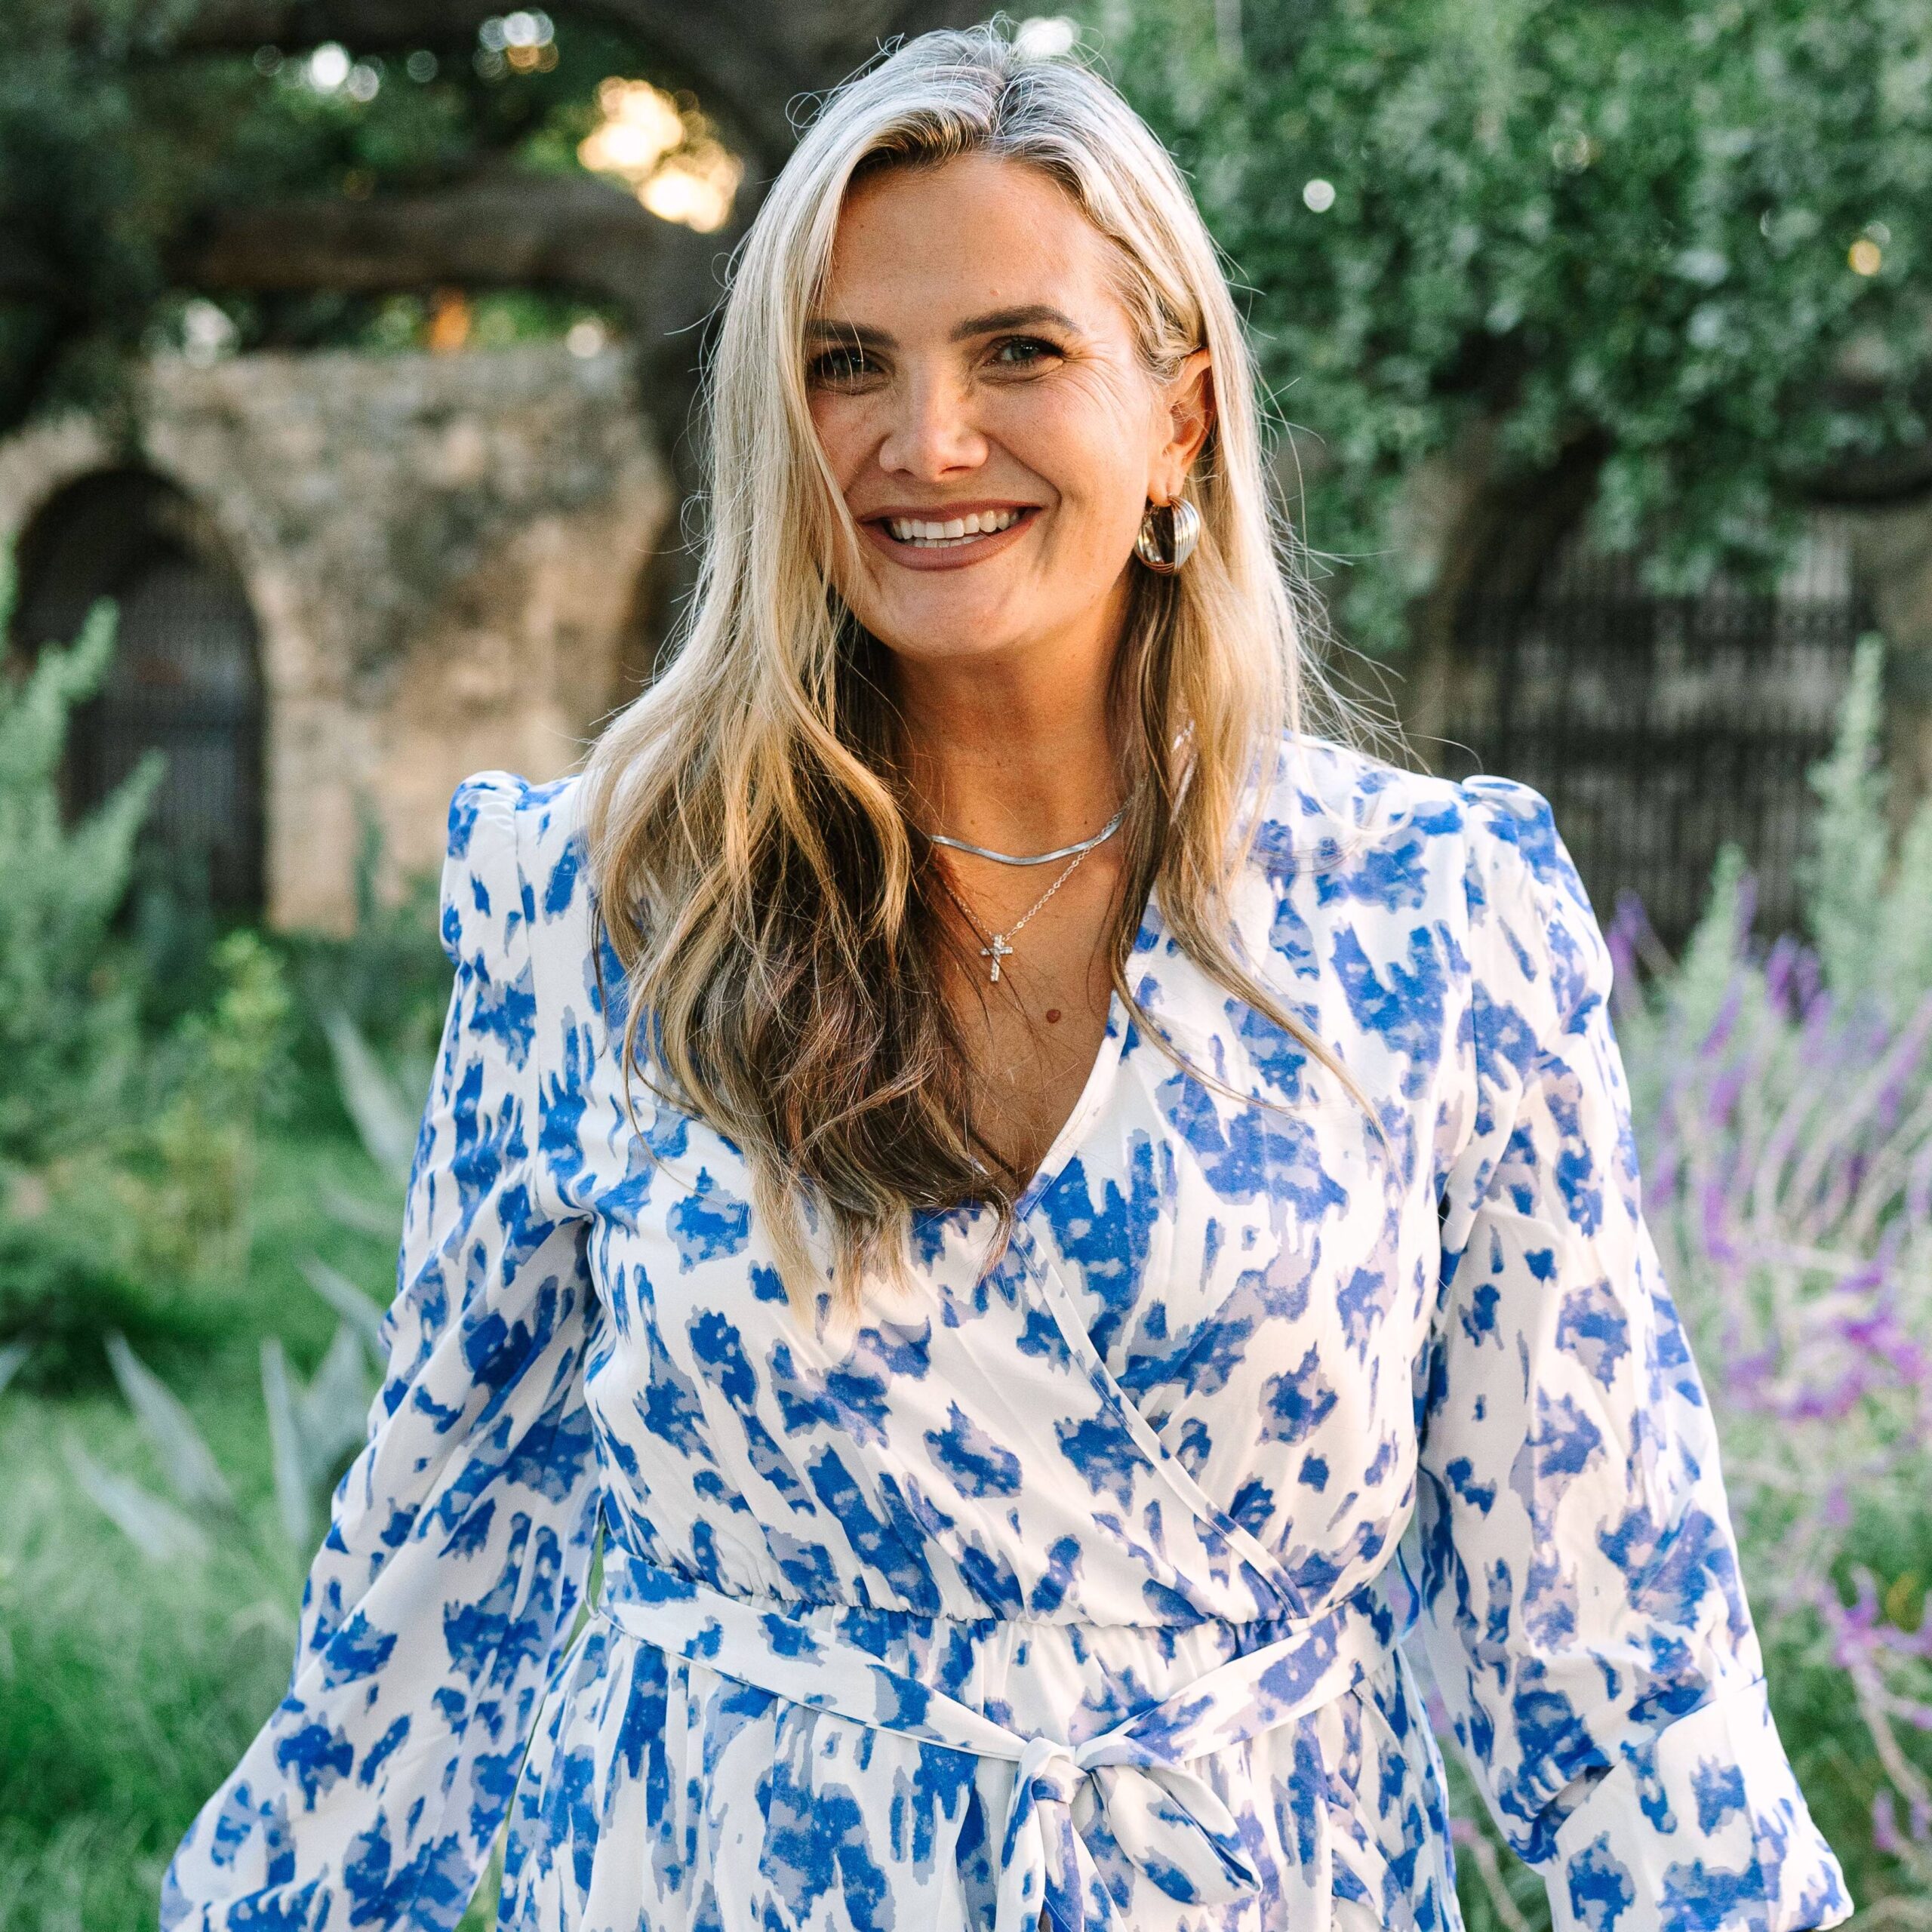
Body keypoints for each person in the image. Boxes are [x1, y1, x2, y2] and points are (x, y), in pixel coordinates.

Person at [162, 25, 1850, 1932]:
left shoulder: (1428, 923)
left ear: (1179, 419)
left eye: (1019, 352)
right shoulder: (602, 902)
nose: (926, 440)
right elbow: (443, 1547)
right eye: (845, 364)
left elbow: (1604, 1612)